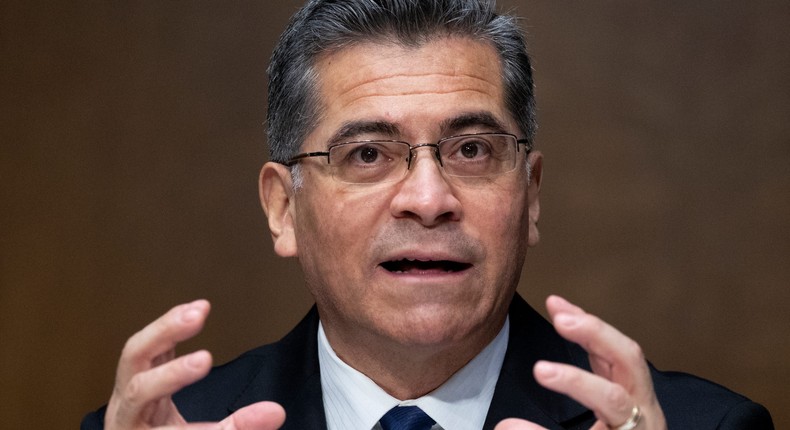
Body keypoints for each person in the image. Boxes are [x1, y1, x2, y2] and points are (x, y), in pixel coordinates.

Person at [82, 1, 774, 429]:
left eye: (472, 149)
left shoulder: (703, 426)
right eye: (367, 154)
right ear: (283, 208)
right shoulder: (173, 426)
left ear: (530, 195)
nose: (428, 198)